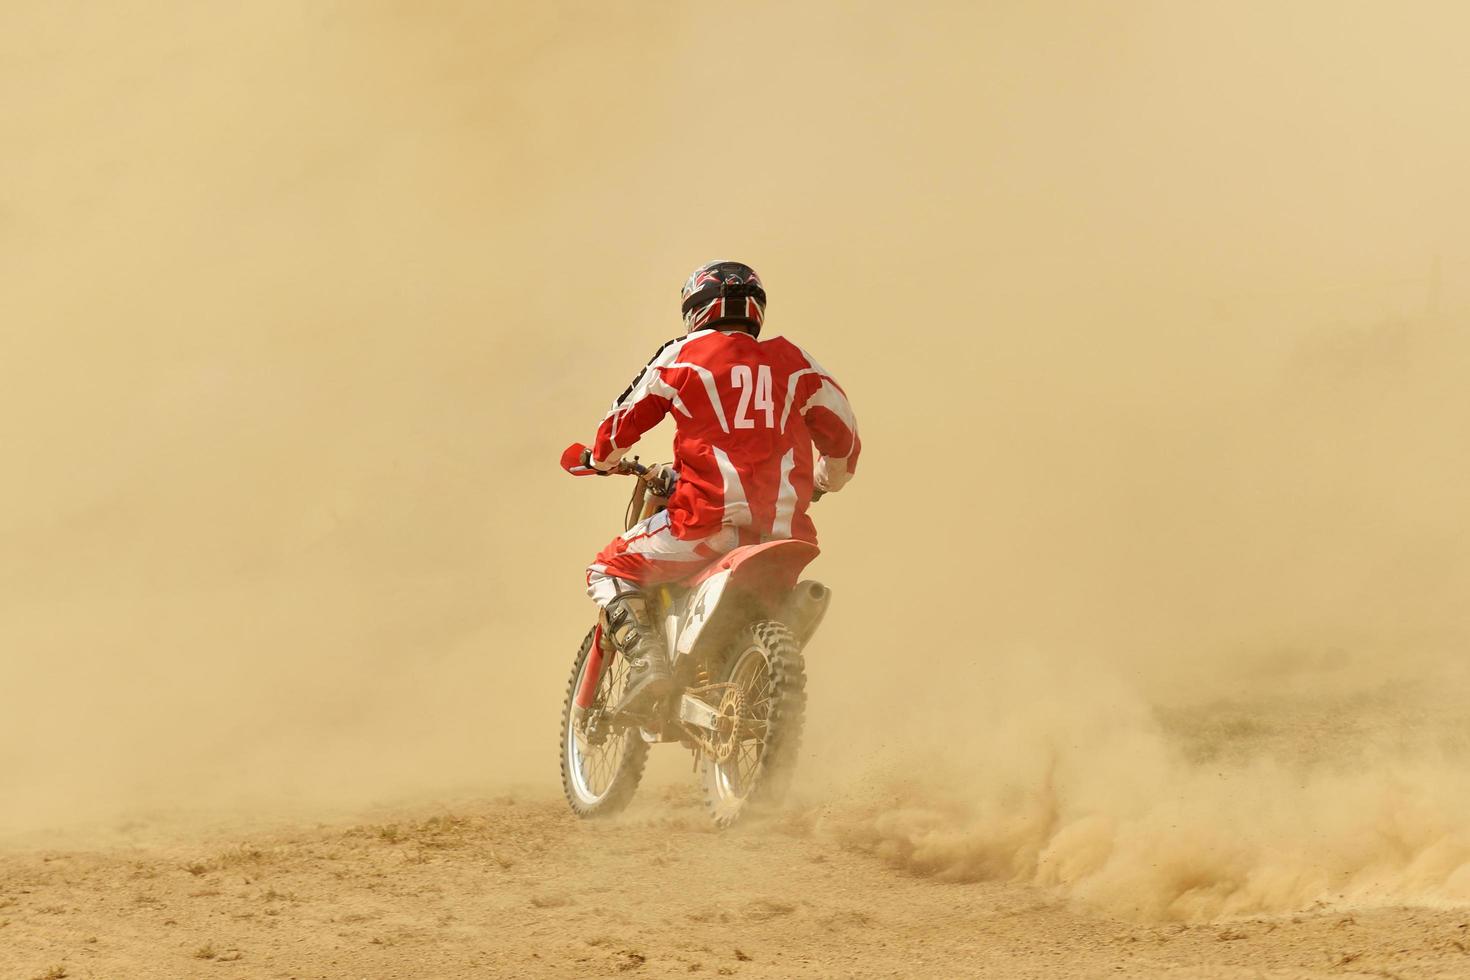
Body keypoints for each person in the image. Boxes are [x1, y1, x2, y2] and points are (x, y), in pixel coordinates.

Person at [582, 260, 860, 714]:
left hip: (703, 525)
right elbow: (845, 440)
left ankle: (649, 664)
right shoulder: (797, 362)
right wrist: (825, 484)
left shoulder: (684, 354)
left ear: (696, 308)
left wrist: (601, 459)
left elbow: (620, 421)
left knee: (605, 571)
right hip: (784, 534)